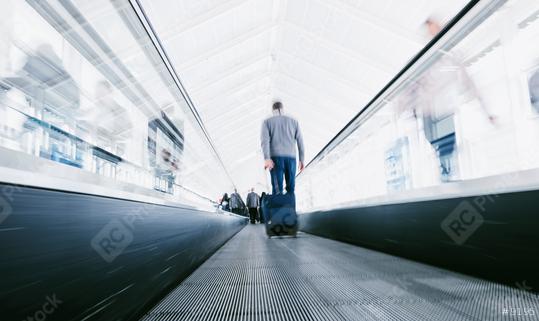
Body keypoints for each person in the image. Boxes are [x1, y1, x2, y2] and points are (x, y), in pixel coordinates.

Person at [408, 18, 496, 182]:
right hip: (428, 113)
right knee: (439, 149)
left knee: (446, 149)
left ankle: (448, 177)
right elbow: (412, 88)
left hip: (444, 112)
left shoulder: (453, 58)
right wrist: (412, 111)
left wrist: (486, 112)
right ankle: (446, 174)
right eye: (430, 32)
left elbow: (470, 85)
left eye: (436, 30)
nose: (434, 35)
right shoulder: (423, 60)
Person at [261, 101, 305, 194]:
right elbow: (300, 141)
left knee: (277, 189)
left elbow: (265, 142)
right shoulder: (294, 121)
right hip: (291, 158)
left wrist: (267, 158)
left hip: (275, 159)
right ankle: (290, 207)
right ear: (283, 109)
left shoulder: (267, 122)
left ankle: (279, 208)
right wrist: (302, 159)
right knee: (291, 188)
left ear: (273, 110)